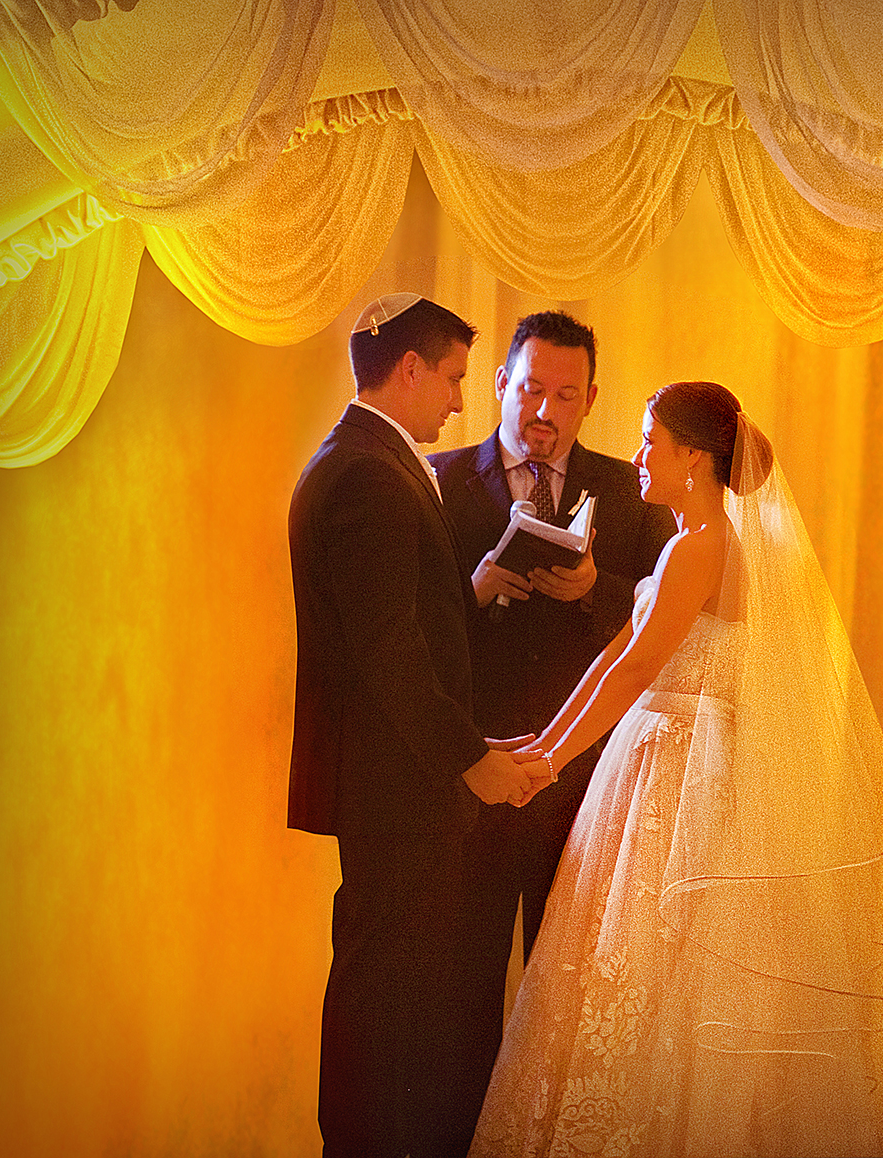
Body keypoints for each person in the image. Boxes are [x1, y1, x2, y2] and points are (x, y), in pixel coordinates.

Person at [470, 381, 883, 1157]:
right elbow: (617, 654)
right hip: (657, 765)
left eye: (652, 442)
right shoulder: (695, 541)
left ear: (697, 456)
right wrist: (546, 742)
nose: (638, 457)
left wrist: (550, 763)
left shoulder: (700, 544)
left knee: (667, 977)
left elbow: (637, 669)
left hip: (676, 781)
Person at [286, 292, 541, 1158]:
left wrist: (465, 597)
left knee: (396, 1008)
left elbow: (398, 622)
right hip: (396, 795)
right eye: (455, 379)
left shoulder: (369, 462)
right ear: (409, 370)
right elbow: (388, 656)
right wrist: (471, 763)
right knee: (381, 1007)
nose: (462, 402)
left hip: (397, 789)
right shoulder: (367, 476)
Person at [428, 311, 676, 1104]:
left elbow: (663, 634)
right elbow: (400, 645)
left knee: (565, 1008)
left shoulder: (632, 493)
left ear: (591, 399)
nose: (545, 411)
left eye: (566, 395)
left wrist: (594, 592)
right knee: (455, 1007)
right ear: (500, 384)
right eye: (531, 389)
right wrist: (471, 593)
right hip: (464, 782)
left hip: (582, 791)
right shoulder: (434, 481)